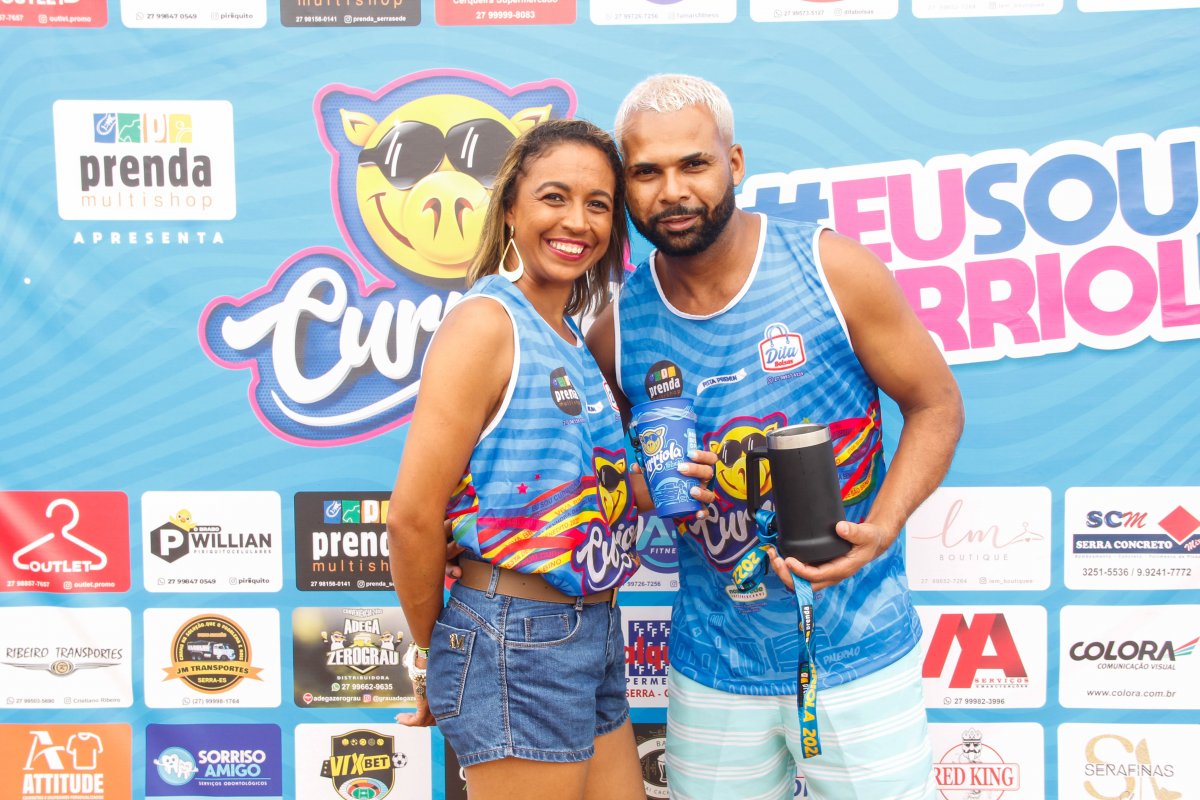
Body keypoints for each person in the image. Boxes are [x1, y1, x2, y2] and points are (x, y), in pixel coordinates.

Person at [586, 75, 965, 800]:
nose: (673, 190)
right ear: (626, 185)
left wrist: (883, 526)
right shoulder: (619, 328)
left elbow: (937, 405)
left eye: (694, 163)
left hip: (857, 651)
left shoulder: (831, 270)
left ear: (735, 162)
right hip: (713, 665)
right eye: (648, 172)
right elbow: (604, 476)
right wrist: (648, 485)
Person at [385, 118, 714, 800]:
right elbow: (412, 517)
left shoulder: (568, 336)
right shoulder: (486, 324)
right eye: (554, 197)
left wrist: (671, 478)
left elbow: (586, 488)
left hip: (589, 627)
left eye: (598, 204)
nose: (577, 222)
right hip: (514, 638)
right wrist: (433, 653)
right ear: (511, 208)